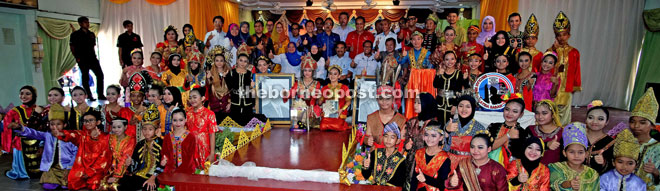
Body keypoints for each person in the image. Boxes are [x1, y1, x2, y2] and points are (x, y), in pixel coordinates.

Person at [11, 104, 77, 190]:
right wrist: (20, 127)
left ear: (64, 125)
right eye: (52, 124)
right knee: (48, 186)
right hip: (51, 168)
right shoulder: (47, 135)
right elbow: (33, 133)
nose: (55, 127)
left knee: (66, 186)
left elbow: (75, 153)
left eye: (58, 124)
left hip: (66, 167)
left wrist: (70, 167)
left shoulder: (70, 137)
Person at [53, 110, 111, 190]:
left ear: (98, 122)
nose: (87, 123)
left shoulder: (105, 137)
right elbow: (73, 134)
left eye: (91, 120)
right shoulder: (83, 135)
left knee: (94, 184)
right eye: (85, 121)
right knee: (73, 181)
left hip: (98, 169)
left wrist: (90, 171)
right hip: (82, 166)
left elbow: (104, 159)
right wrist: (61, 133)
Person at [117, 107, 164, 191]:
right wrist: (131, 163)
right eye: (144, 129)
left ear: (156, 130)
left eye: (150, 129)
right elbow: (135, 166)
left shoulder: (161, 143)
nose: (146, 132)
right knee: (122, 183)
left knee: (148, 187)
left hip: (155, 176)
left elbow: (163, 164)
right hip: (140, 174)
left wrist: (153, 178)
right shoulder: (140, 144)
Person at [549, 11, 582, 126]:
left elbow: (577, 69)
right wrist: (554, 49)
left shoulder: (574, 52)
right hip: (554, 84)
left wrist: (575, 85)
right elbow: (546, 62)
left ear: (569, 35)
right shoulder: (552, 50)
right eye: (559, 35)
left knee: (565, 108)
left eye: (564, 34)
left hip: (566, 85)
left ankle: (563, 129)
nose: (561, 37)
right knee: (552, 107)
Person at [549, 122, 600, 191]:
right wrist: (569, 184)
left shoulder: (592, 174)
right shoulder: (556, 168)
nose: (576, 156)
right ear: (564, 153)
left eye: (580, 152)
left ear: (586, 154)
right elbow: (555, 184)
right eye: (572, 152)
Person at [2, 86, 40, 179]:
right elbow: (6, 127)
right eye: (21, 93)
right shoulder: (14, 111)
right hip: (21, 142)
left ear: (34, 95)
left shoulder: (40, 109)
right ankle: (21, 172)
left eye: (27, 94)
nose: (24, 96)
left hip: (37, 141)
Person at [443, 95, 488, 170]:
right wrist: (447, 131)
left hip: (470, 165)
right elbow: (444, 148)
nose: (464, 109)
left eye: (468, 107)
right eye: (461, 106)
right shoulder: (450, 123)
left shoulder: (479, 128)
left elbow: (482, 152)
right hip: (450, 163)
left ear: (473, 109)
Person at [629, 87, 660, 190]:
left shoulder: (658, 148)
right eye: (633, 121)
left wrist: (655, 172)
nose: (636, 126)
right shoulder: (626, 142)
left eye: (642, 122)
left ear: (652, 126)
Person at [408, 120, 451, 191]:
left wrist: (425, 179)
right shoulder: (419, 153)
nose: (429, 138)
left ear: (440, 138)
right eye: (426, 135)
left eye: (433, 136)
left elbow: (443, 184)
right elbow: (414, 179)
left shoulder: (444, 158)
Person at [362, 122, 408, 187]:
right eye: (386, 136)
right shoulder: (375, 153)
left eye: (392, 137)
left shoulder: (401, 161)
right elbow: (366, 175)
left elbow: (398, 183)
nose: (388, 140)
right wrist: (366, 167)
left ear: (397, 140)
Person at [70, 16, 105, 101]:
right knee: (85, 77)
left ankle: (100, 94)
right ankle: (89, 95)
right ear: (80, 24)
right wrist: (77, 57)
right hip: (82, 59)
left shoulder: (91, 34)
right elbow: (72, 47)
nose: (87, 24)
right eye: (85, 22)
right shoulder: (75, 34)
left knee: (100, 75)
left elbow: (93, 46)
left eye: (88, 22)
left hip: (92, 58)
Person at [98, 117, 136, 190]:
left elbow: (124, 158)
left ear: (125, 127)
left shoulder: (131, 140)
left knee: (114, 186)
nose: (116, 129)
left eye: (119, 127)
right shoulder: (110, 137)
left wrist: (116, 176)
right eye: (114, 127)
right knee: (102, 185)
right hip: (109, 168)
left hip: (124, 170)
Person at [487, 98, 526, 168]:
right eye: (507, 109)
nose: (509, 113)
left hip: (512, 171)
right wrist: (508, 135)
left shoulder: (523, 133)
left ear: (521, 114)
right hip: (489, 167)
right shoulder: (493, 127)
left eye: (515, 111)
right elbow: (487, 148)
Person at [285, 56, 322, 129]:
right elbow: (291, 93)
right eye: (305, 70)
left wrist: (310, 108)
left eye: (309, 70)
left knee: (311, 114)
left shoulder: (317, 83)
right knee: (296, 110)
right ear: (302, 71)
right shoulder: (298, 82)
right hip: (300, 107)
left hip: (311, 107)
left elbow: (314, 98)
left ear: (313, 71)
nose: (307, 73)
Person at [185, 87, 218, 166]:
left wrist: (212, 153)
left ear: (202, 98)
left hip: (204, 146)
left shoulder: (209, 114)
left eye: (195, 97)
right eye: (190, 98)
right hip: (190, 146)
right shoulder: (187, 113)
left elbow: (212, 134)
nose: (192, 100)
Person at [433, 51, 468, 123]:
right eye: (447, 59)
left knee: (450, 124)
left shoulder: (458, 73)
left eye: (452, 59)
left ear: (455, 60)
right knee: (439, 124)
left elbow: (460, 90)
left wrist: (455, 105)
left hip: (452, 104)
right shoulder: (440, 71)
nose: (450, 62)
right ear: (443, 61)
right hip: (439, 103)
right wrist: (438, 75)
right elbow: (435, 85)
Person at [525, 100, 563, 165]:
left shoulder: (562, 133)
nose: (540, 116)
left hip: (554, 172)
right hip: (533, 170)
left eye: (544, 113)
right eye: (537, 113)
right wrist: (546, 145)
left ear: (553, 115)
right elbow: (524, 147)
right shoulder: (530, 129)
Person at [162, 108, 199, 174]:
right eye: (175, 120)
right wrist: (163, 159)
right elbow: (164, 153)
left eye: (181, 120)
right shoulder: (167, 137)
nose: (178, 123)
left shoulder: (191, 136)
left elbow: (192, 156)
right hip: (170, 171)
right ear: (171, 121)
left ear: (185, 120)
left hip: (186, 171)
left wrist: (181, 171)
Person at [583, 100, 615, 175]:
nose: (595, 121)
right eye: (591, 117)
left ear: (606, 122)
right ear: (586, 120)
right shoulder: (578, 137)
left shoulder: (610, 142)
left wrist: (604, 162)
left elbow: (614, 167)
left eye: (600, 119)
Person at [319, 65, 351, 130]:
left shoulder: (344, 87)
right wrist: (319, 98)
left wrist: (342, 109)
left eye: (335, 74)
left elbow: (348, 101)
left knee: (337, 126)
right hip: (328, 114)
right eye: (330, 74)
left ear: (339, 76)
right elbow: (320, 103)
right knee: (323, 126)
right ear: (328, 76)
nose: (332, 76)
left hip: (339, 113)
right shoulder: (324, 88)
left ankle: (343, 123)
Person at [206, 46, 232, 118]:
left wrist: (230, 103)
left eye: (221, 60)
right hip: (214, 105)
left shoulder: (229, 73)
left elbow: (232, 89)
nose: (219, 63)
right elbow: (207, 90)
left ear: (224, 61)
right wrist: (208, 79)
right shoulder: (210, 73)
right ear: (214, 62)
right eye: (217, 60)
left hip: (226, 105)